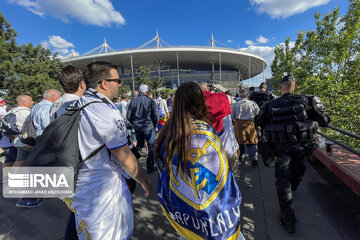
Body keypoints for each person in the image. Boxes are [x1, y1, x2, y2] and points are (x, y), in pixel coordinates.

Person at [67, 61, 152, 240]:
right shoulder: (104, 111)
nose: (120, 85)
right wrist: (144, 181)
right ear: (104, 83)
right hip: (103, 190)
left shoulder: (74, 105)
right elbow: (124, 156)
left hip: (79, 184)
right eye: (118, 80)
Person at [155, 82, 245, 240]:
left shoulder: (168, 131)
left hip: (186, 213)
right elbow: (222, 178)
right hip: (215, 215)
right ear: (200, 101)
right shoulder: (206, 129)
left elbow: (163, 171)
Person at [254, 75, 330, 234]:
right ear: (294, 87)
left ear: (281, 88)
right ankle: (291, 198)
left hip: (281, 150)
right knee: (297, 173)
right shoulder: (307, 101)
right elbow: (324, 121)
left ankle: (288, 219)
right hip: (302, 147)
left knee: (283, 182)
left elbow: (258, 123)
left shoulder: (270, 105)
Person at [127, 84, 158, 174]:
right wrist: (154, 125)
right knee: (151, 147)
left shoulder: (133, 102)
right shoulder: (151, 101)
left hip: (137, 127)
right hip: (149, 126)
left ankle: (134, 165)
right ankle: (149, 167)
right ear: (147, 92)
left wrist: (134, 124)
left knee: (139, 146)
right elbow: (156, 115)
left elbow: (128, 116)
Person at [231, 89, 260, 166]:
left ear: (239, 95)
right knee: (252, 141)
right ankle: (253, 157)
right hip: (250, 124)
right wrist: (257, 125)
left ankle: (241, 156)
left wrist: (234, 123)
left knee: (240, 142)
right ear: (247, 95)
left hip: (239, 125)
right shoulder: (253, 104)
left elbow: (231, 117)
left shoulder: (235, 105)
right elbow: (257, 115)